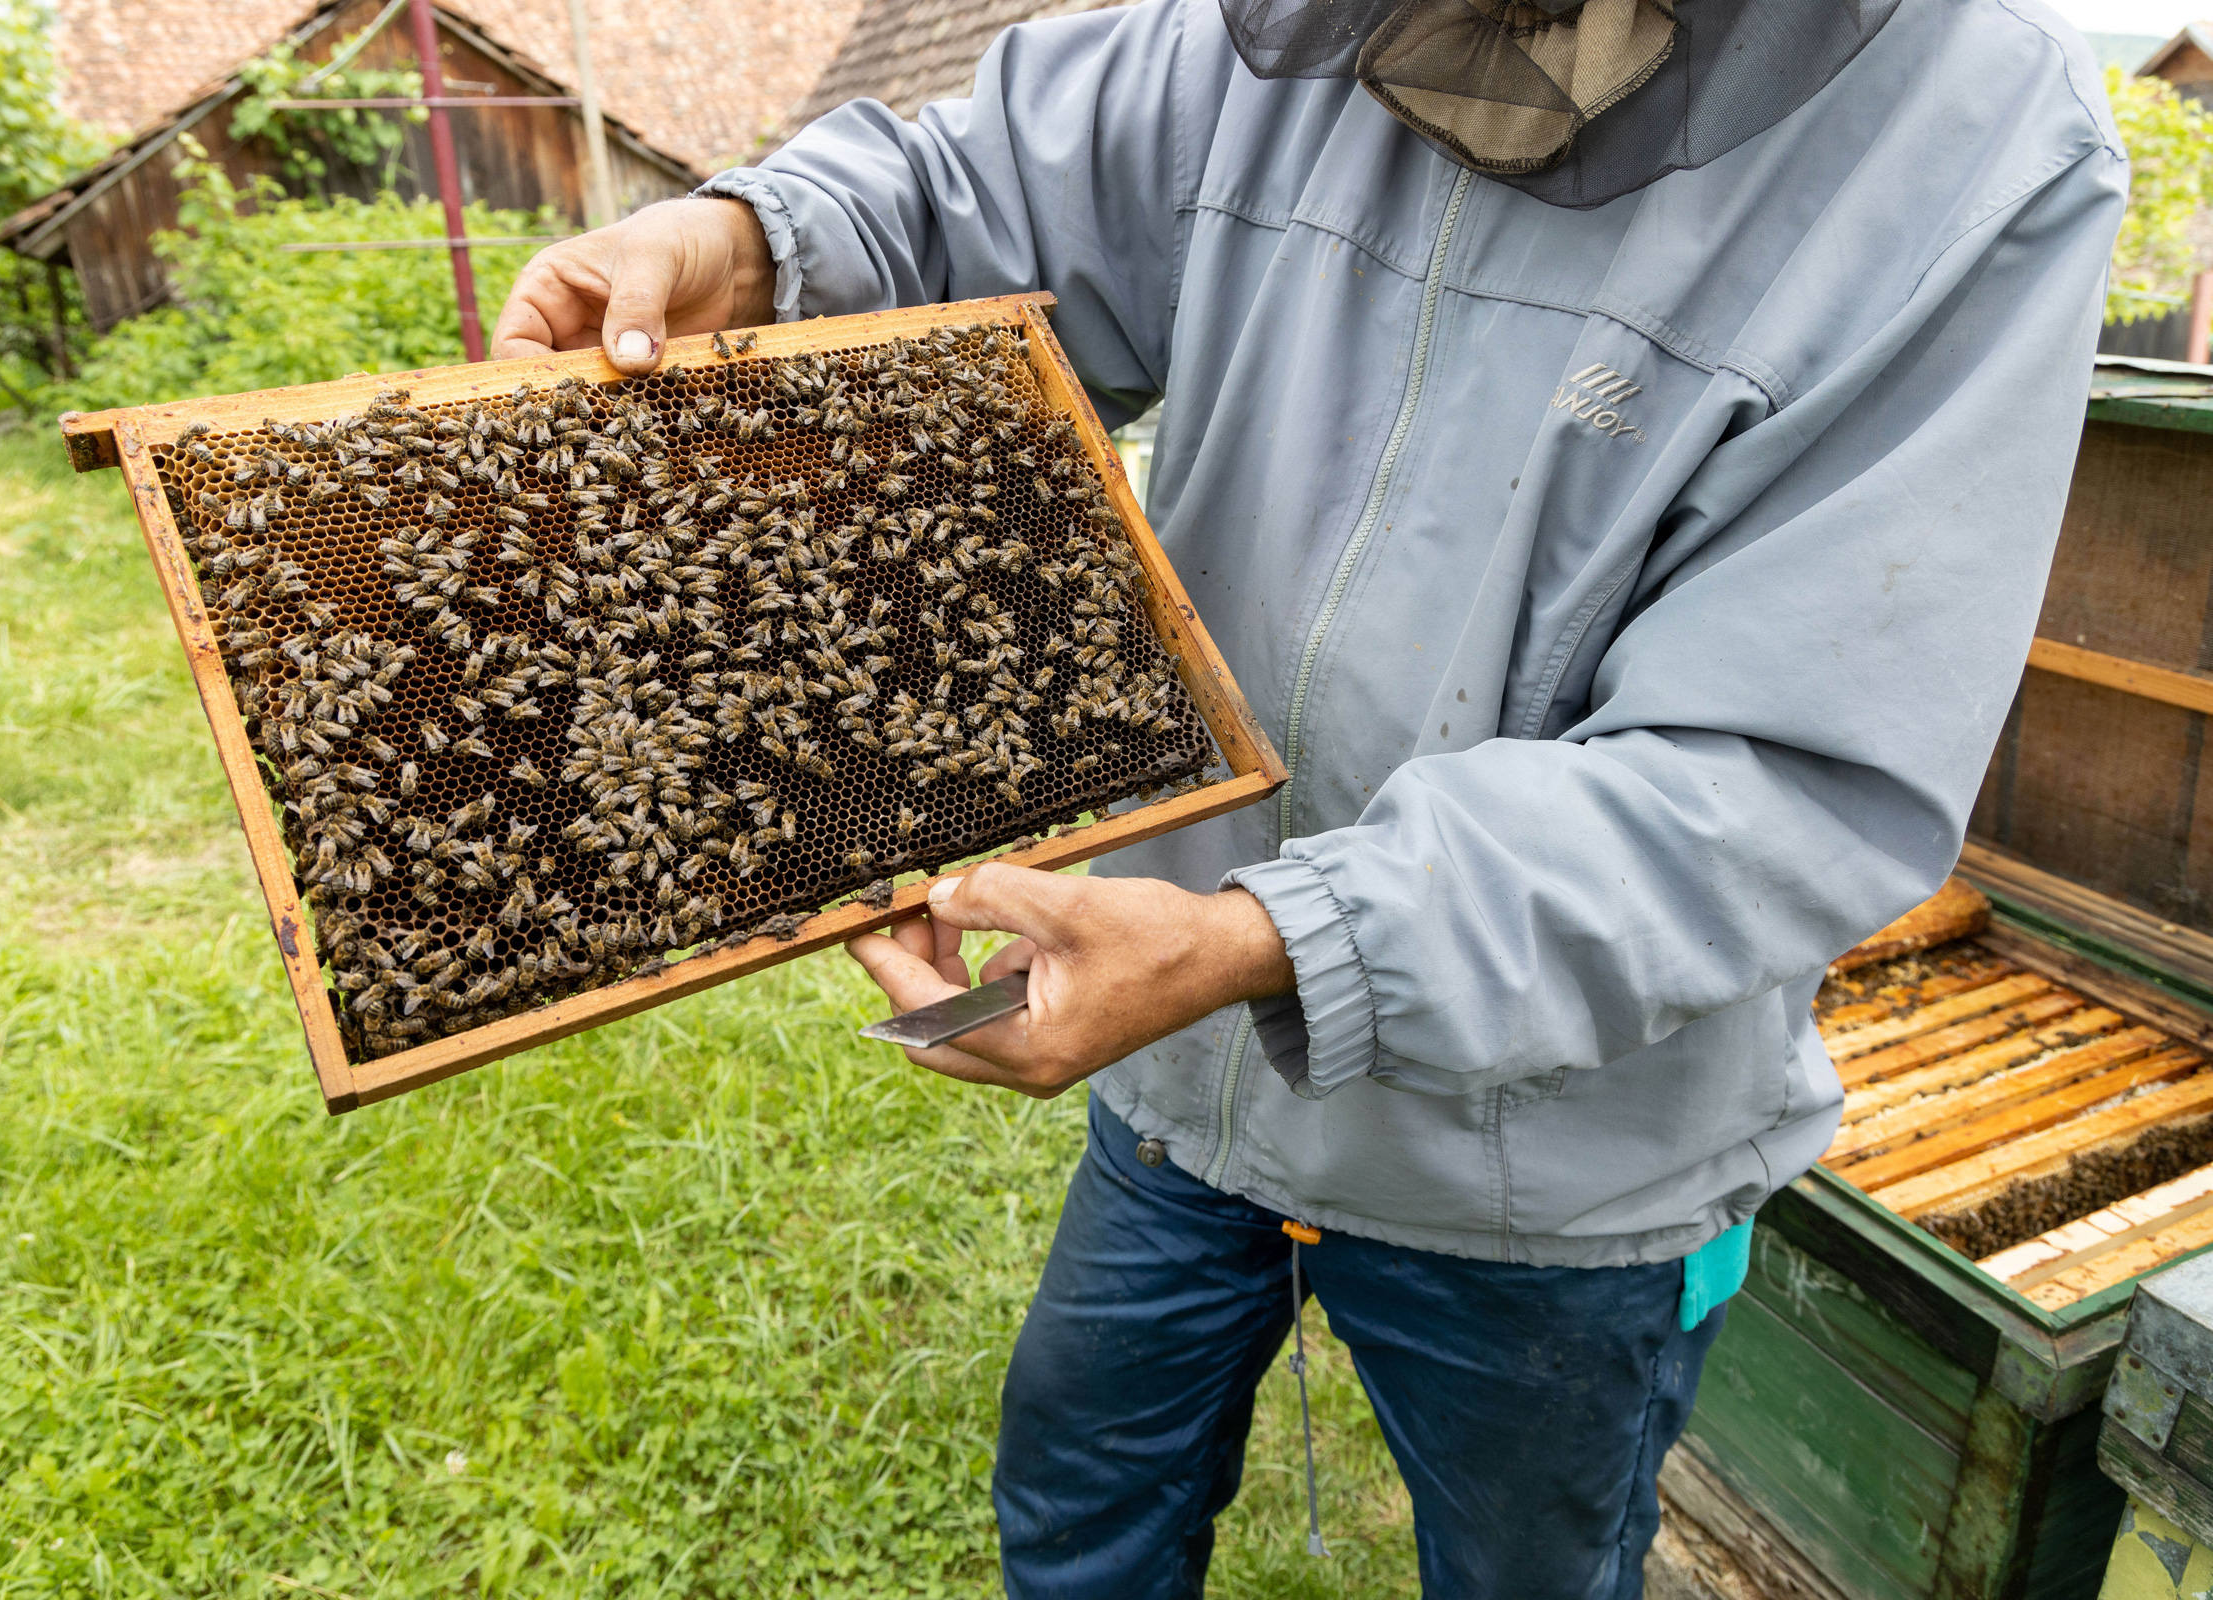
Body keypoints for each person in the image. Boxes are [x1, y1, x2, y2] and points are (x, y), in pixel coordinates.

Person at [495, 0, 2125, 1593]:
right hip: (1186, 1079)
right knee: (1077, 1517)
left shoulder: (1976, 149)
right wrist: (761, 237)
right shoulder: (1257, 43)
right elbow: (972, 185)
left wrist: (1272, 934)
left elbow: (1777, 774)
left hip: (1556, 1166)